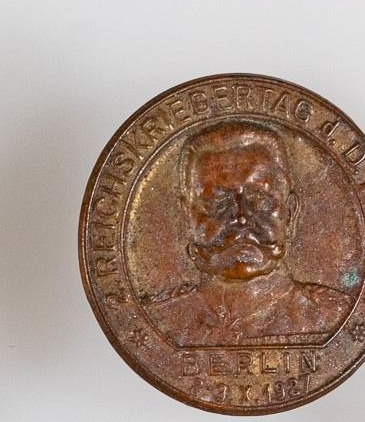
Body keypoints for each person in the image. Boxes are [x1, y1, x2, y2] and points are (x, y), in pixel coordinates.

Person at [144, 120, 352, 345]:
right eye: (218, 202)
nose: (241, 218)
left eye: (260, 200)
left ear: (290, 213)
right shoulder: (158, 320)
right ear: (187, 217)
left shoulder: (333, 317)